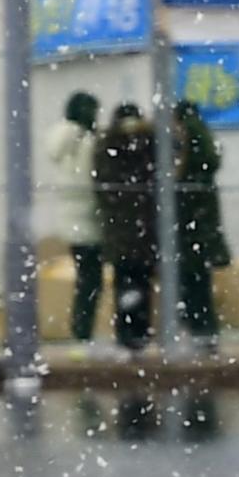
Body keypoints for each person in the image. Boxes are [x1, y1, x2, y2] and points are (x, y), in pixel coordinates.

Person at [88, 102, 162, 352]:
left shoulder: (107, 144)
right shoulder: (151, 142)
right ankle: (141, 333)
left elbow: (101, 184)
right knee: (143, 282)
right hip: (147, 227)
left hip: (119, 228)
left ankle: (126, 334)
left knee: (124, 281)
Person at [43, 89, 106, 341]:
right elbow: (92, 177)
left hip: (72, 219)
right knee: (91, 281)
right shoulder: (85, 140)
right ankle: (82, 332)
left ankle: (81, 331)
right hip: (89, 217)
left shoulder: (61, 138)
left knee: (87, 279)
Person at [171, 97, 231, 344]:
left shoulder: (184, 143)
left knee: (190, 283)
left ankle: (197, 330)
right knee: (200, 283)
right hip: (202, 227)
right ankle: (206, 332)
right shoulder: (205, 142)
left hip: (187, 227)